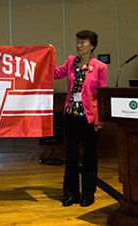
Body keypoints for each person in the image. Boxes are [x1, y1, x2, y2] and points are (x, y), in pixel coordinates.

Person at [54, 30, 108, 207]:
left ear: (92, 46)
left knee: (89, 157)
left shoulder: (100, 67)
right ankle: (70, 194)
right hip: (71, 116)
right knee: (71, 156)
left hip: (89, 118)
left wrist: (99, 121)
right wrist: (47, 54)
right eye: (77, 42)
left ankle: (88, 194)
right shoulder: (71, 62)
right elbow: (54, 73)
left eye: (83, 42)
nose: (79, 45)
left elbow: (101, 96)